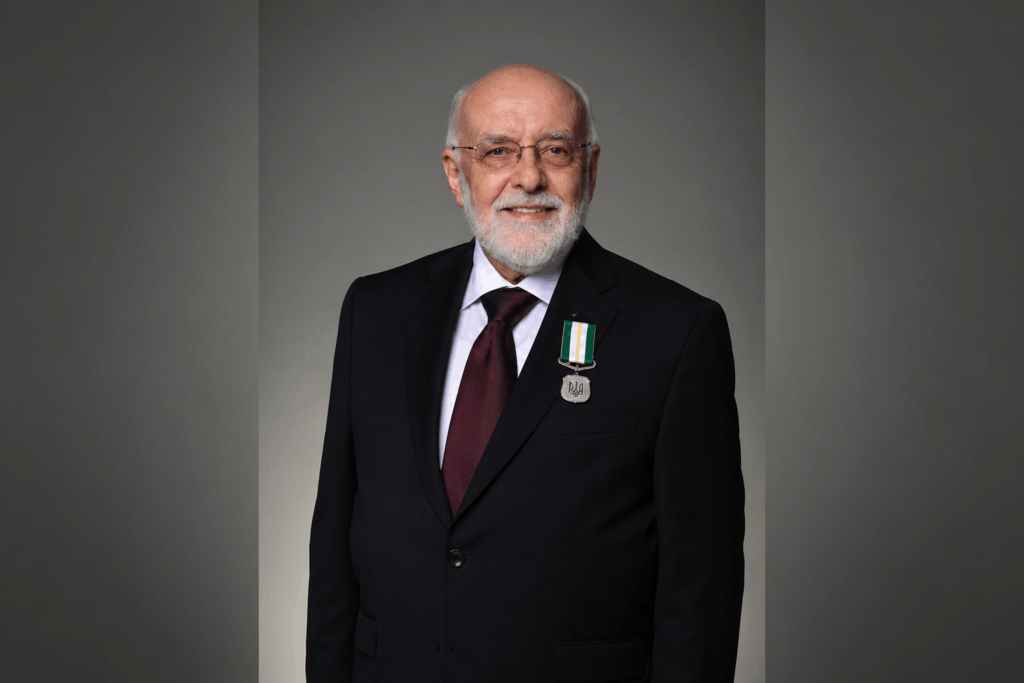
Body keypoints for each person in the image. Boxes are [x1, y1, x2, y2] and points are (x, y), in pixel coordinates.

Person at [306, 64, 744, 683]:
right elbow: (333, 549)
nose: (529, 176)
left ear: (589, 169)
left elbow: (702, 587)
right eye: (497, 151)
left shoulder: (677, 331)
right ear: (457, 175)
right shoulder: (375, 312)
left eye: (556, 151)